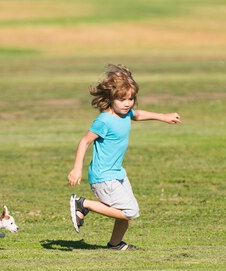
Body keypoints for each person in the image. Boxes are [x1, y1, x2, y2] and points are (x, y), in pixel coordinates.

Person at [67, 64, 181, 250]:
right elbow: (85, 141)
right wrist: (77, 168)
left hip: (117, 174)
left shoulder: (126, 113)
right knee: (129, 212)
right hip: (104, 176)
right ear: (111, 98)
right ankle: (83, 204)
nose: (127, 103)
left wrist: (163, 116)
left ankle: (115, 244)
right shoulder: (104, 121)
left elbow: (138, 114)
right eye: (122, 99)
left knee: (126, 214)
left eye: (131, 98)